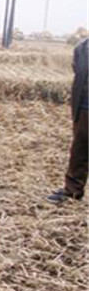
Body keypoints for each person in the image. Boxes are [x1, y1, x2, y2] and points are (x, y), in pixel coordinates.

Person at [47, 37, 88, 204]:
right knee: (80, 149)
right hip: (85, 106)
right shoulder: (83, 48)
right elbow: (78, 72)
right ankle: (72, 191)